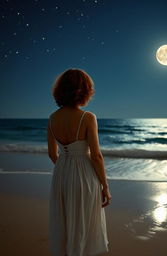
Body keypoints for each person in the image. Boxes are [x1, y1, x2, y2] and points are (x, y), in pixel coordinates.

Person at [47, 68, 111, 256]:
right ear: (84, 90)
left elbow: (52, 154)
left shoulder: (52, 119)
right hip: (84, 176)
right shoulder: (87, 117)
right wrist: (105, 186)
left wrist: (66, 168)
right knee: (83, 224)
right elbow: (96, 156)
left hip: (62, 174)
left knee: (65, 223)